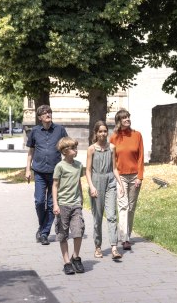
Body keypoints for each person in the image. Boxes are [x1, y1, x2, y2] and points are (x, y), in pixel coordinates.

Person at [25, 105, 68, 245]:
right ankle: (42, 226)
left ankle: (44, 233)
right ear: (40, 117)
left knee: (51, 204)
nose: (48, 114)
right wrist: (27, 170)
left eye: (49, 112)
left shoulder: (60, 130)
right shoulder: (35, 131)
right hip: (39, 172)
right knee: (39, 201)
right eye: (44, 113)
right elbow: (30, 152)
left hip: (55, 173)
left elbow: (67, 147)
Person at [86, 120, 124, 259]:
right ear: (96, 133)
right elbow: (88, 171)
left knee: (112, 215)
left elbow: (114, 168)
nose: (103, 133)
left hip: (110, 181)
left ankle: (114, 247)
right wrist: (91, 186)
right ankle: (98, 246)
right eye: (100, 131)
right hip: (96, 181)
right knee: (97, 217)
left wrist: (120, 184)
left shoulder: (112, 148)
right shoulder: (91, 149)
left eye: (104, 131)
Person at [109, 109, 144, 250]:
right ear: (119, 121)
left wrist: (140, 177)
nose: (127, 119)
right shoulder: (114, 138)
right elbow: (112, 160)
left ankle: (127, 234)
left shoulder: (137, 135)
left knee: (131, 207)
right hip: (120, 176)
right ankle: (124, 238)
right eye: (124, 118)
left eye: (128, 117)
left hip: (135, 175)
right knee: (123, 205)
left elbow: (141, 157)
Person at [52, 137, 85, 275]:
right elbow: (55, 186)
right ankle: (67, 261)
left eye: (76, 148)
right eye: (73, 148)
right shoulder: (59, 166)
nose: (76, 150)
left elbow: (78, 183)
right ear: (65, 151)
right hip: (63, 205)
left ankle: (76, 257)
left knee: (78, 231)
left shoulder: (79, 165)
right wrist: (55, 204)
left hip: (76, 204)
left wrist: (82, 198)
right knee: (62, 234)